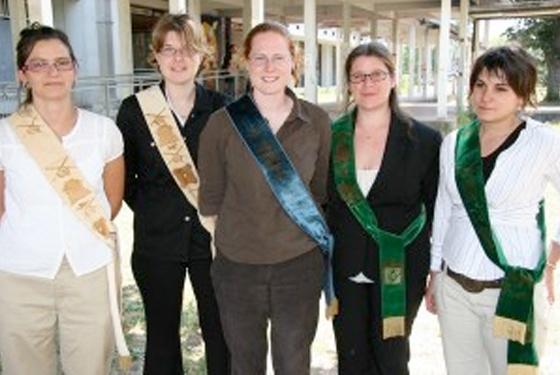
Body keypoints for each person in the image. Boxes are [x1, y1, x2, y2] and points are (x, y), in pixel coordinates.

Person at [198, 21, 333, 375]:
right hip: (237, 269)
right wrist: (239, 245)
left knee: (293, 364)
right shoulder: (220, 124)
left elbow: (319, 193)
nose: (269, 67)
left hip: (299, 266)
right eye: (260, 58)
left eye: (278, 57)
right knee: (245, 365)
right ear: (246, 62)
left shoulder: (317, 122)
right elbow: (210, 201)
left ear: (294, 62)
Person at [425, 45, 560, 374]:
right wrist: (435, 272)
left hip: (512, 286)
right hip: (454, 286)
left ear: (521, 96)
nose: (486, 96)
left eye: (501, 88)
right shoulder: (456, 141)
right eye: (480, 85)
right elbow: (445, 207)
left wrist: (553, 258)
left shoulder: (544, 142)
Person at [0, 24, 126, 375]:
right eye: (38, 65)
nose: (52, 72)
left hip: (89, 271)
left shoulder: (104, 131)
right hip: (19, 274)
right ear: (24, 75)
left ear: (75, 70)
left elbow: (111, 202)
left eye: (61, 62)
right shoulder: (4, 135)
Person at [116, 13, 229, 375]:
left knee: (220, 333)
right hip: (156, 241)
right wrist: (155, 208)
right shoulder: (135, 110)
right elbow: (126, 179)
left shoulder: (223, 109)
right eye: (169, 50)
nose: (178, 59)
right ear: (156, 56)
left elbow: (235, 175)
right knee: (162, 338)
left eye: (188, 50)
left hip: (213, 242)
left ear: (202, 55)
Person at [328, 42, 441, 374]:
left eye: (377, 75)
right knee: (350, 355)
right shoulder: (331, 137)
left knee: (391, 357)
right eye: (358, 76)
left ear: (393, 79)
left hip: (401, 266)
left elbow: (437, 212)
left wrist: (437, 271)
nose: (367, 84)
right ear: (349, 83)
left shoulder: (424, 141)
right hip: (345, 264)